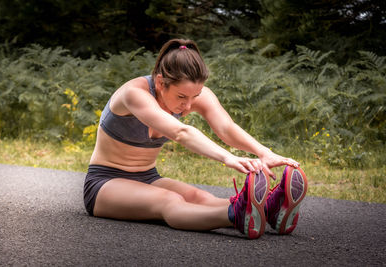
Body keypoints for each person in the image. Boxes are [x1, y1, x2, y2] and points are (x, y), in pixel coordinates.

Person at [83, 39, 308, 239]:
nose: (188, 106)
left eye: (195, 96)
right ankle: (236, 215)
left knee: (198, 195)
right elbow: (181, 132)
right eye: (182, 97)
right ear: (161, 83)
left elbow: (226, 128)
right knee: (168, 201)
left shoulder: (190, 95)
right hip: (105, 183)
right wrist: (228, 158)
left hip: (148, 177)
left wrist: (263, 152)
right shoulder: (134, 94)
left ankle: (269, 210)